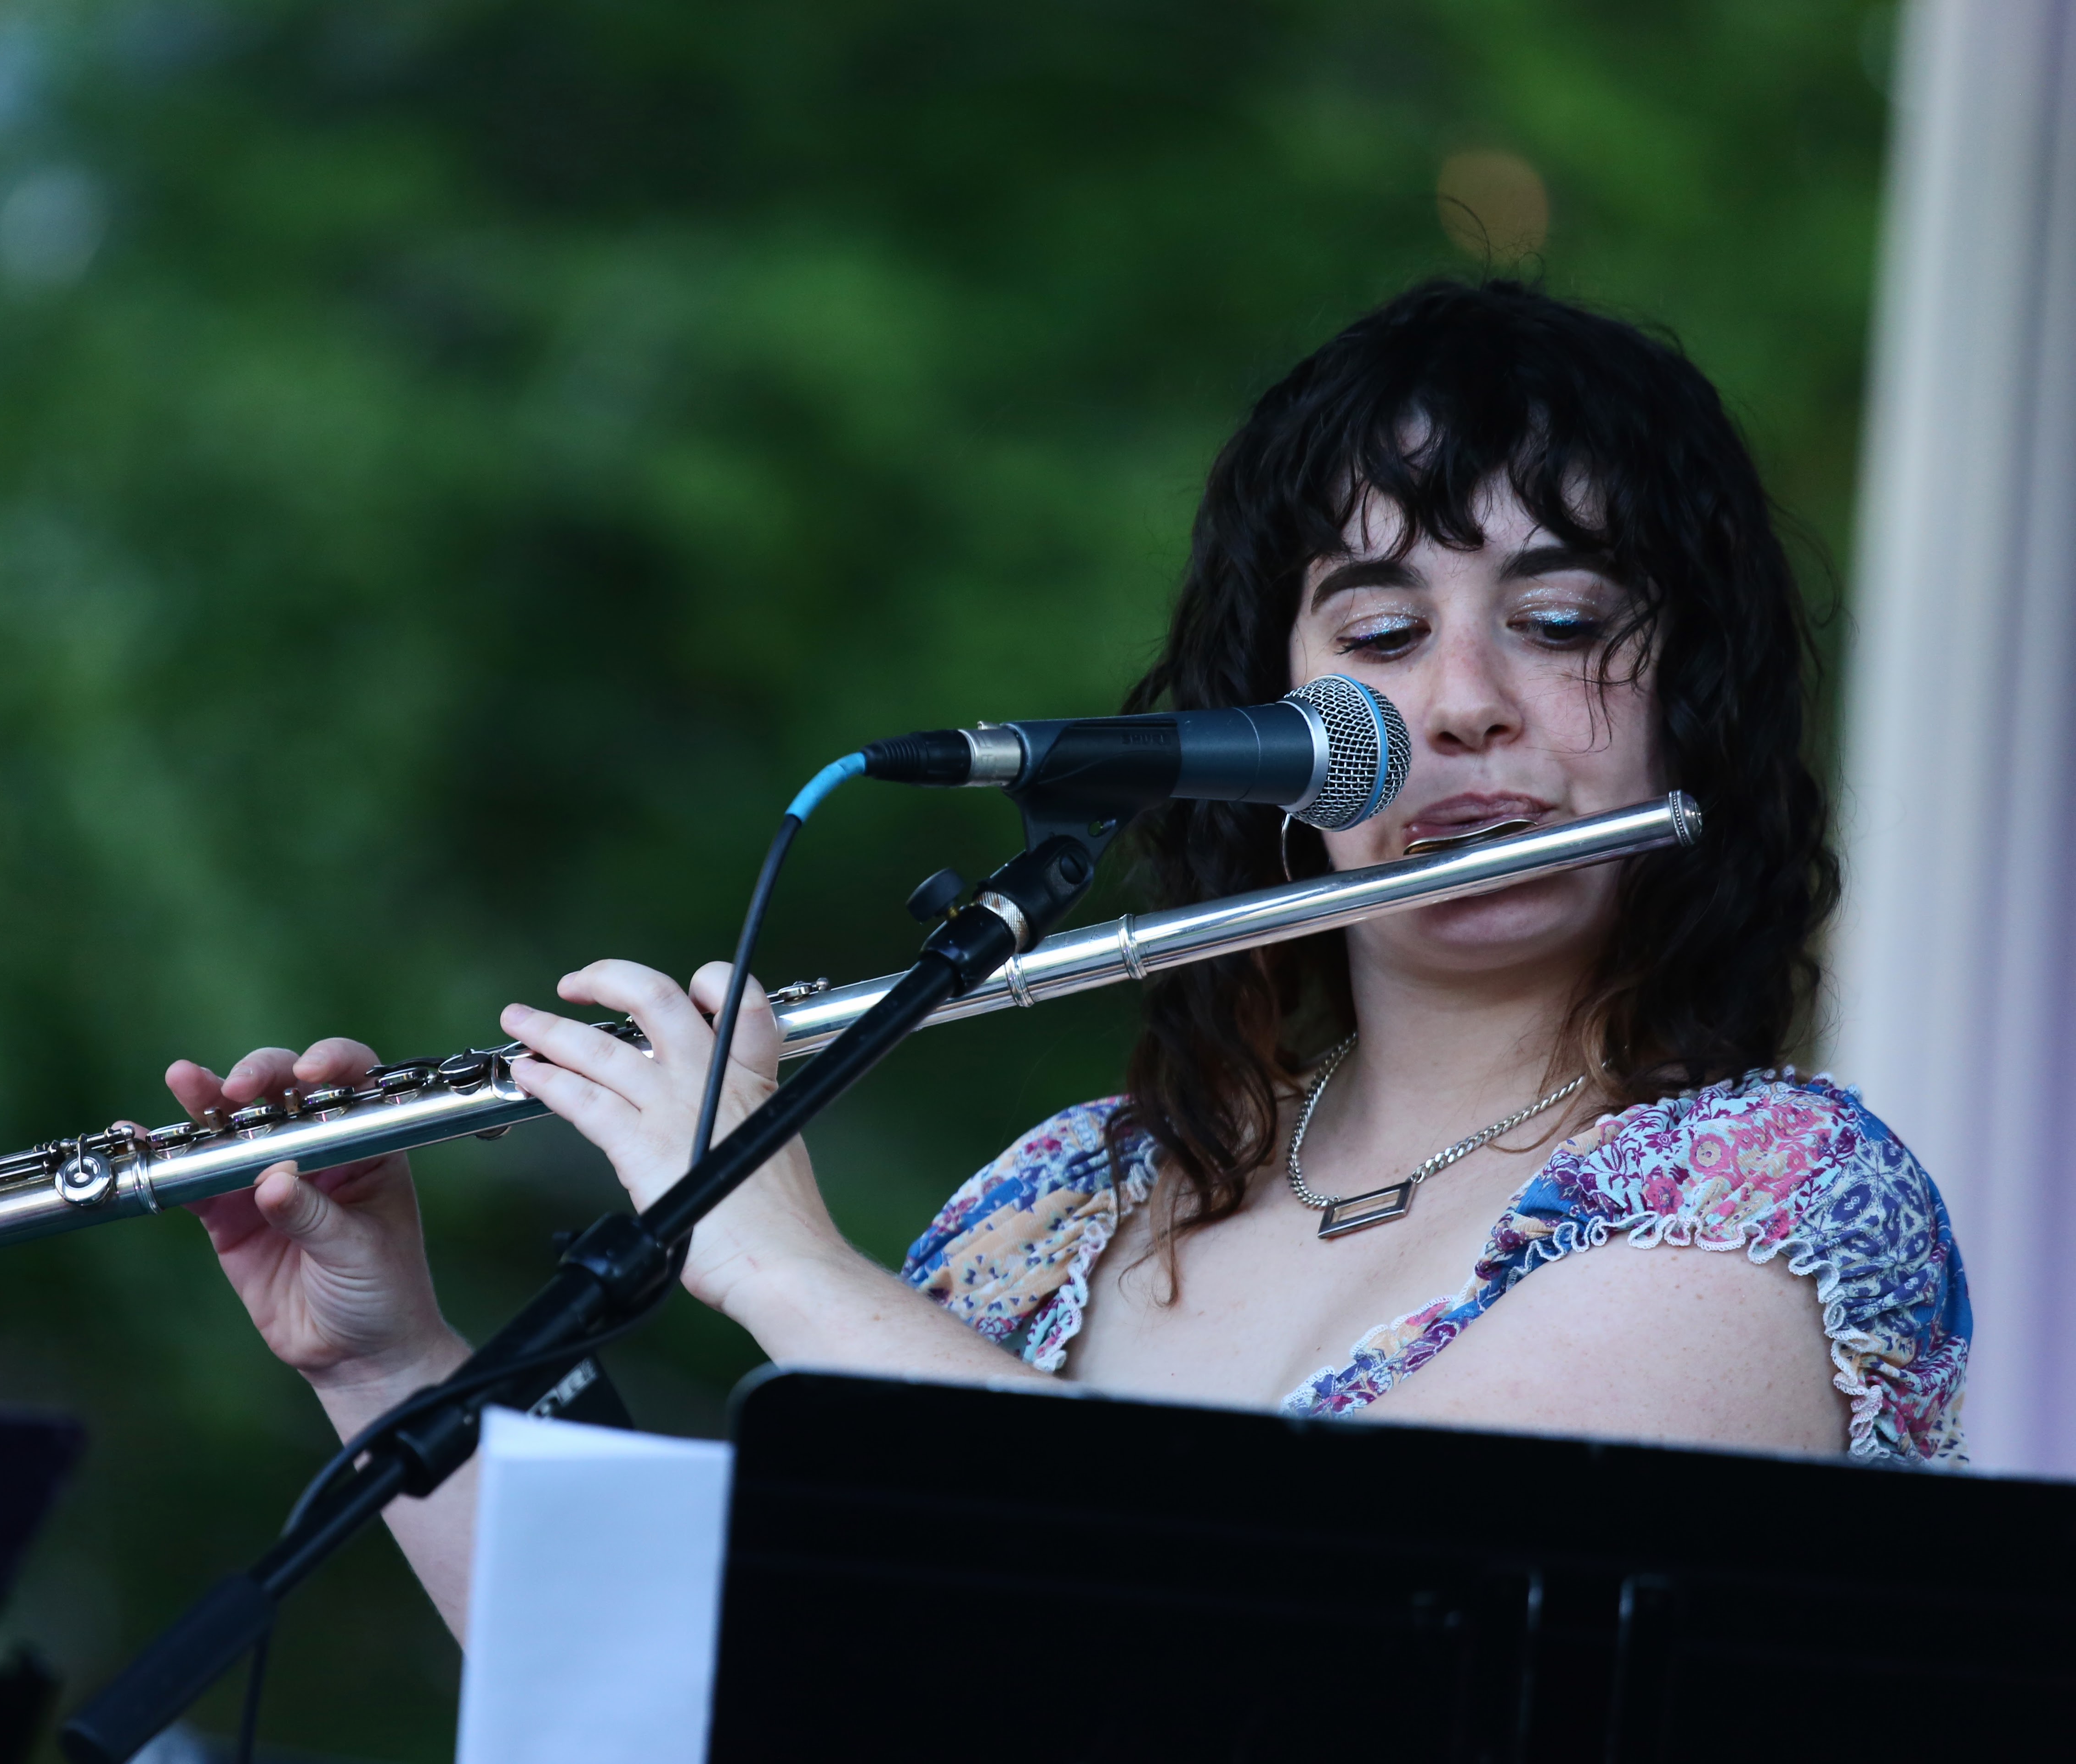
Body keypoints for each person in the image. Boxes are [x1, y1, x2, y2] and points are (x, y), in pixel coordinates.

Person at [170, 280, 1970, 1633]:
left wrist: (787, 1268)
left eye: (1562, 624)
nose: (1467, 704)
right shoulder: (1064, 1204)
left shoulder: (1775, 1202)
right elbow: (699, 1692)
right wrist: (390, 1363)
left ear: (1696, 712)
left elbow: (1316, 1644)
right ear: (1277, 717)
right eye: (1383, 627)